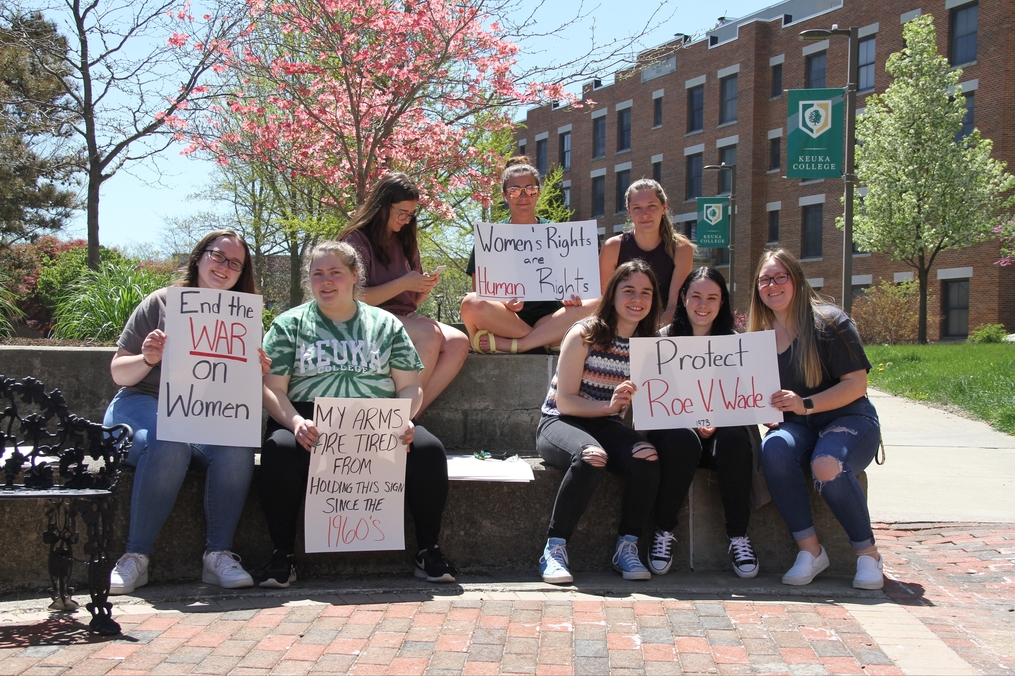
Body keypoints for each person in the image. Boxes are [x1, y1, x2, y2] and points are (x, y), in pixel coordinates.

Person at [256, 241, 456, 587]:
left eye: (335, 273)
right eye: (318, 274)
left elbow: (410, 386)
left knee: (428, 450)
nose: (326, 281)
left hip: (375, 422)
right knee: (280, 450)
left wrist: (404, 419)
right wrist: (295, 422)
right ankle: (282, 555)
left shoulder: (386, 325)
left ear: (354, 276)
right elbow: (272, 388)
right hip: (307, 420)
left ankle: (429, 550)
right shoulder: (289, 325)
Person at [104, 229, 266, 594]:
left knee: (238, 446)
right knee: (168, 441)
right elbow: (119, 372)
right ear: (198, 257)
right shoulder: (160, 303)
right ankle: (136, 558)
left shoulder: (242, 322)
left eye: (235, 264)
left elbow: (235, 391)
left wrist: (254, 370)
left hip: (202, 416)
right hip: (140, 405)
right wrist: (147, 358)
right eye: (217, 256)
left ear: (242, 274)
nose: (224, 267)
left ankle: (218, 556)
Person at [748, 249, 883, 590]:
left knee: (826, 464)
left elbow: (856, 384)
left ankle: (868, 555)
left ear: (797, 279)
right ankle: (811, 551)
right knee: (774, 448)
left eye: (781, 276)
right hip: (798, 427)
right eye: (765, 279)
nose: (772, 285)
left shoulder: (831, 322)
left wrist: (804, 403)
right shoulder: (755, 340)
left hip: (850, 419)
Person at [536, 260, 662, 584]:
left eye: (645, 292)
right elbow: (565, 400)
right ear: (613, 294)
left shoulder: (650, 346)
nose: (638, 299)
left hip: (607, 426)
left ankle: (627, 546)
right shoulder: (584, 333)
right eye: (629, 290)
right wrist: (609, 406)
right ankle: (554, 547)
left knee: (647, 456)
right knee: (593, 456)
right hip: (559, 422)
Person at [644, 267, 760, 578]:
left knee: (736, 441)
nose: (702, 304)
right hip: (678, 438)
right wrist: (691, 421)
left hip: (723, 436)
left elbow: (745, 402)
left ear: (722, 303)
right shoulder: (661, 343)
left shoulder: (736, 345)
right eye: (695, 296)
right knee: (681, 439)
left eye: (712, 297)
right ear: (683, 298)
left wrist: (718, 420)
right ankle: (663, 532)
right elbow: (655, 403)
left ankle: (739, 536)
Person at [339, 173, 468, 415]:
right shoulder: (356, 239)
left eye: (411, 214)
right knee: (430, 334)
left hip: (401, 316)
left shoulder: (406, 239)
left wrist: (422, 288)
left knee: (458, 341)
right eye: (402, 213)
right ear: (382, 206)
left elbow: (411, 304)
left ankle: (410, 417)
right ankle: (397, 421)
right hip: (365, 317)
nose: (406, 220)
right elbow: (354, 298)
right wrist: (403, 283)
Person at [460, 156, 592, 354]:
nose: (523, 196)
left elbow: (580, 287)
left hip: (552, 318)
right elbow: (480, 290)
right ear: (504, 195)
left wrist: (572, 297)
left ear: (538, 193)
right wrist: (503, 302)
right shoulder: (489, 237)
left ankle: (520, 344)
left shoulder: (560, 234)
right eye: (514, 190)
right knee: (470, 303)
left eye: (530, 189)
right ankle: (548, 340)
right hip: (507, 319)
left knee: (599, 302)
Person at [598, 179, 694, 327]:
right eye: (637, 208)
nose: (645, 214)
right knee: (579, 307)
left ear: (664, 207)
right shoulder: (612, 247)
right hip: (619, 323)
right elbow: (604, 300)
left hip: (659, 325)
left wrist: (647, 334)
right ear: (629, 211)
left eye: (651, 206)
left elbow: (673, 307)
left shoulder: (681, 249)